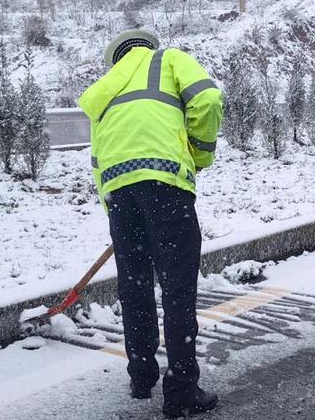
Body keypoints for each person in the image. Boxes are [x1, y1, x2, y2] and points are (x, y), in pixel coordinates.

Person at [78, 29, 223, 417]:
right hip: (166, 186)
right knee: (177, 287)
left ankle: (142, 377)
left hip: (120, 195)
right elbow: (208, 99)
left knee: (135, 287)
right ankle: (180, 391)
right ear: (146, 47)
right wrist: (201, 155)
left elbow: (98, 160)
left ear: (117, 60)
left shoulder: (105, 90)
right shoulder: (168, 59)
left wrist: (116, 211)